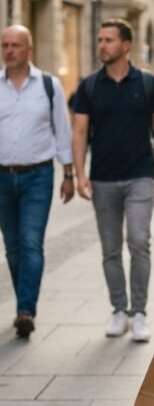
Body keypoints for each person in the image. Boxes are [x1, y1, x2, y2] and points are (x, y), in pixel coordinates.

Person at [72, 18, 154, 342]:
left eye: (108, 40)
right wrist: (79, 174)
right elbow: (79, 132)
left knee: (139, 242)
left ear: (126, 45)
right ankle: (119, 309)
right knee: (110, 249)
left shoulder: (146, 83)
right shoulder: (89, 86)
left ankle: (140, 313)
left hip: (140, 177)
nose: (102, 45)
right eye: (100, 39)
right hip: (102, 178)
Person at [0, 25, 75, 338]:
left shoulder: (48, 85)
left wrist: (69, 172)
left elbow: (62, 129)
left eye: (16, 45)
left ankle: (25, 310)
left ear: (29, 48)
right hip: (3, 177)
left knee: (31, 242)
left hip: (38, 176)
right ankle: (23, 302)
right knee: (12, 249)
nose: (9, 50)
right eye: (5, 45)